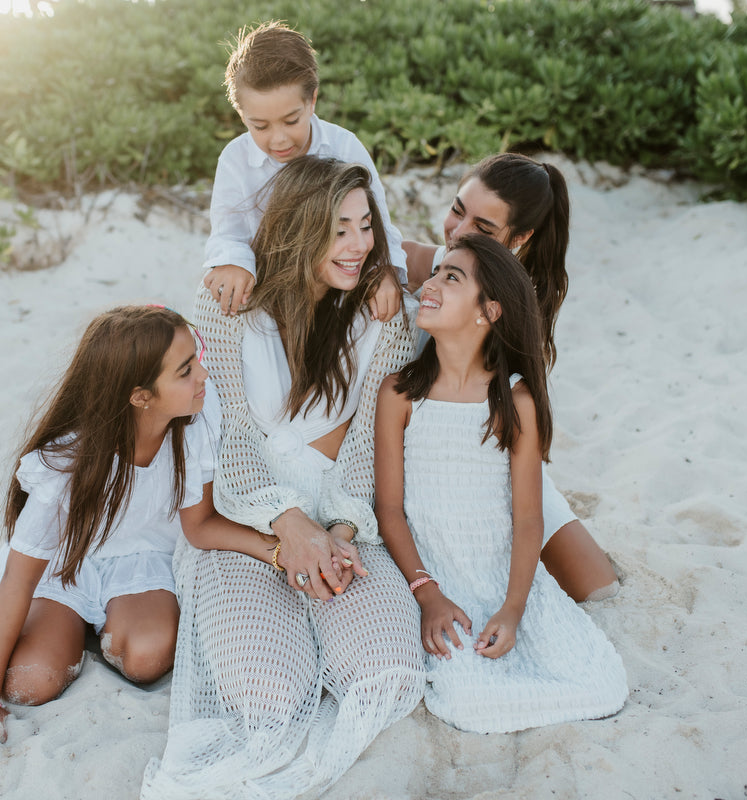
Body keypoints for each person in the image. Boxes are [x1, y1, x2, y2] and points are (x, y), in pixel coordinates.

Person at [141, 156, 424, 800]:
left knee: (386, 670)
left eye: (365, 227)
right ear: (299, 232)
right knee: (270, 694)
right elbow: (232, 433)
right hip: (246, 522)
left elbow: (367, 443)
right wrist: (288, 525)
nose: (358, 247)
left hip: (346, 516)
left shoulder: (382, 316)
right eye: (339, 231)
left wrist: (344, 529)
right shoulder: (229, 305)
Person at [376, 234, 627, 733]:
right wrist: (428, 594)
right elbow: (389, 510)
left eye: (452, 277)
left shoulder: (515, 402)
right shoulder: (400, 392)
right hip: (433, 577)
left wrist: (514, 607)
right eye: (435, 272)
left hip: (505, 578)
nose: (430, 283)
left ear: (488, 311)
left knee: (600, 684)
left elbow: (528, 518)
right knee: (468, 701)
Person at [0, 305, 220, 747]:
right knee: (31, 684)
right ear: (140, 396)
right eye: (187, 370)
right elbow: (22, 579)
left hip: (139, 562)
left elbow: (201, 523)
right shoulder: (67, 468)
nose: (204, 375)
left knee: (148, 658)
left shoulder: (193, 425)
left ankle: (92, 627)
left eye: (197, 359)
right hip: (63, 568)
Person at [403, 153, 619, 603]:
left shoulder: (514, 302)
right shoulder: (429, 264)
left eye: (484, 228)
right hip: (429, 456)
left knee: (599, 588)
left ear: (520, 238)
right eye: (458, 210)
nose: (460, 232)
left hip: (494, 459)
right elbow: (374, 255)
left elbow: (518, 420)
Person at [202, 20, 406, 322]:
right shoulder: (235, 159)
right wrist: (233, 262)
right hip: (270, 293)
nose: (279, 139)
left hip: (338, 291)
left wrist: (383, 271)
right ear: (241, 114)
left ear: (312, 100)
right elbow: (227, 234)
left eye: (291, 120)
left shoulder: (344, 147)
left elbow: (378, 226)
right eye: (260, 126)